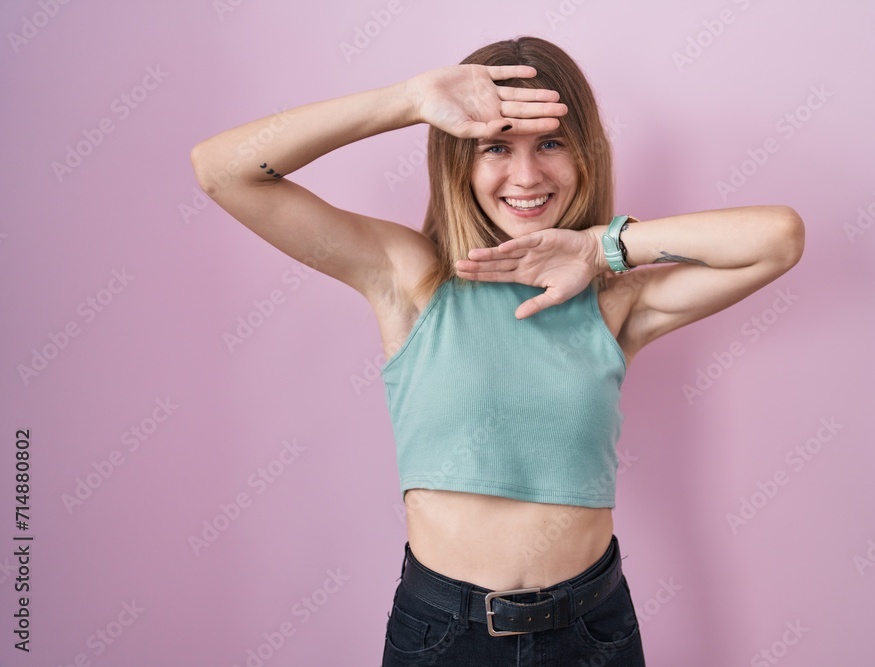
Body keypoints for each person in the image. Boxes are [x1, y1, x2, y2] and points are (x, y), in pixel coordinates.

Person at [191, 35, 804, 666]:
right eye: (496, 146)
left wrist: (600, 249)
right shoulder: (411, 276)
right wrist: (409, 100)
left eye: (551, 143)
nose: (527, 176)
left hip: (592, 631)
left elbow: (778, 238)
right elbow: (222, 170)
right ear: (459, 159)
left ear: (585, 154)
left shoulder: (614, 302)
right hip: (444, 636)